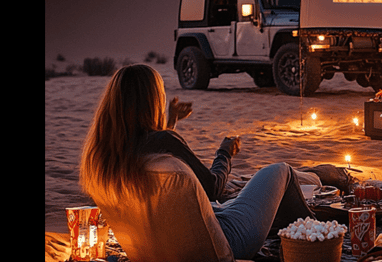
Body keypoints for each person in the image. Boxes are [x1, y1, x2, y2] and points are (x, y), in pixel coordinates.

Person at [79, 64, 315, 260]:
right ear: (150, 101)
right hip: (228, 241)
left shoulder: (106, 157)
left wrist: (171, 120)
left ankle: (297, 227)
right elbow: (213, 187)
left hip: (168, 245)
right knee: (279, 171)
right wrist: (225, 153)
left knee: (245, 194)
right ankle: (317, 232)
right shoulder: (164, 140)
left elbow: (148, 146)